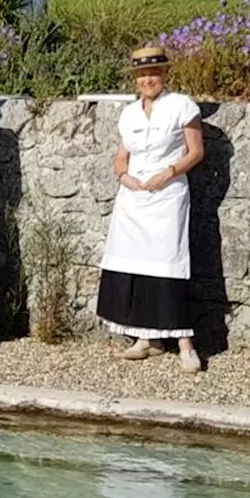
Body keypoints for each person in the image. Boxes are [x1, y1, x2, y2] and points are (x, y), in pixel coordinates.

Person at [96, 47, 204, 374]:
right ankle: (146, 338)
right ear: (135, 79)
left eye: (154, 73)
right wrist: (123, 176)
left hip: (167, 194)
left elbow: (196, 151)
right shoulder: (129, 114)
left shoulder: (182, 106)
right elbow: (121, 155)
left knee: (169, 263)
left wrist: (168, 173)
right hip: (133, 198)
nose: (148, 79)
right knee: (134, 265)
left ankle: (185, 344)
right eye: (143, 75)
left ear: (165, 74)